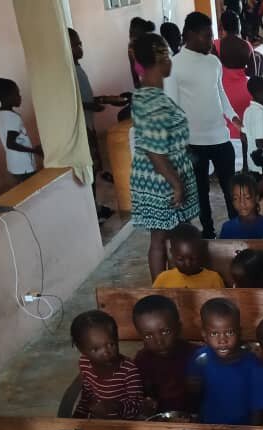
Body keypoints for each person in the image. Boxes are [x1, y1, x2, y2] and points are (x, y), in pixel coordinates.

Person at [129, 33, 201, 280]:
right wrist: (177, 185)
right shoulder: (154, 101)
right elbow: (155, 152)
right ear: (162, 59)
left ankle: (170, 285)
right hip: (162, 181)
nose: (171, 61)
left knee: (164, 236)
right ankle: (165, 288)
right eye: (169, 55)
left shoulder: (146, 94)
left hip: (157, 177)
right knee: (164, 237)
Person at [164, 12, 241, 240]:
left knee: (231, 188)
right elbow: (173, 107)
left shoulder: (213, 62)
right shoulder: (174, 65)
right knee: (201, 191)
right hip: (193, 142)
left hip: (219, 136)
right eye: (206, 37)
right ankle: (208, 232)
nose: (210, 42)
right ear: (190, 35)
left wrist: (233, 117)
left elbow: (221, 95)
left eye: (211, 36)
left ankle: (236, 229)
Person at [68, 29, 126, 220]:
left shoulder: (77, 68)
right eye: (75, 45)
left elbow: (84, 98)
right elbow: (72, 103)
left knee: (94, 169)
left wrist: (106, 99)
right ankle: (92, 211)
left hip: (89, 125)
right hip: (82, 128)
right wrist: (92, 104)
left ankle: (95, 207)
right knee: (89, 170)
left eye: (80, 43)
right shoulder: (68, 73)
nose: (80, 48)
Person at [186, 298, 263, 425]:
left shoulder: (253, 366)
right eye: (214, 333)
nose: (222, 340)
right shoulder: (200, 358)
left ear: (239, 332)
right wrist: (194, 387)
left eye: (229, 332)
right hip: (208, 427)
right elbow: (194, 396)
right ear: (204, 334)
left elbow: (258, 409)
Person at [70, 310, 147, 420]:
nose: (106, 352)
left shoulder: (128, 370)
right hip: (98, 420)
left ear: (117, 339)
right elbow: (87, 396)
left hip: (125, 424)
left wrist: (114, 407)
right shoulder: (85, 364)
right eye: (96, 349)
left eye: (111, 344)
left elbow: (138, 407)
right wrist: (78, 417)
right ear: (82, 350)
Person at [131, 295, 196, 413]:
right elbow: (141, 396)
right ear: (140, 337)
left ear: (178, 328)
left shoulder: (195, 355)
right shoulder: (142, 361)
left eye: (165, 332)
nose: (159, 342)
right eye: (148, 336)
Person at [213, 10, 258, 143]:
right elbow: (252, 72)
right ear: (238, 26)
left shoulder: (216, 45)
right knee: (245, 130)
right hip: (245, 92)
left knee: (226, 133)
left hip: (224, 94)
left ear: (222, 26)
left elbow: (213, 70)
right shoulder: (246, 45)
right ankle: (245, 162)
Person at [0, 78, 41, 183]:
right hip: (24, 166)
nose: (20, 97)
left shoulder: (0, 114)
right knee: (33, 188)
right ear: (8, 97)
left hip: (14, 165)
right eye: (17, 94)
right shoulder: (13, 117)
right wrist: (35, 151)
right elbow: (11, 144)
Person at [154, 222, 225, 288]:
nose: (188, 264)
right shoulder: (163, 279)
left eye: (193, 258)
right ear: (171, 253)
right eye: (180, 259)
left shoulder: (214, 279)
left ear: (200, 252)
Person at [219, 174, 263, 239]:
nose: (242, 203)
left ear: (256, 198)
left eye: (247, 198)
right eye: (236, 198)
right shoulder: (227, 228)